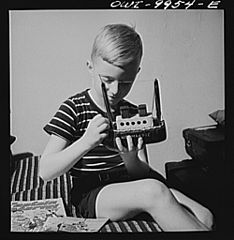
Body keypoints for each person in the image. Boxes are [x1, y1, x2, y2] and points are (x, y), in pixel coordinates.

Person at [39, 23, 214, 231]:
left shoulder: (130, 112)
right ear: (90, 67)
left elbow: (141, 172)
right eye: (107, 80)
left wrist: (130, 158)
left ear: (137, 73)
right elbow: (45, 171)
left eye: (125, 83)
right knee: (154, 191)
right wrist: (86, 142)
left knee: (206, 216)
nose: (115, 90)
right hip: (94, 192)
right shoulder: (74, 108)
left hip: (130, 183)